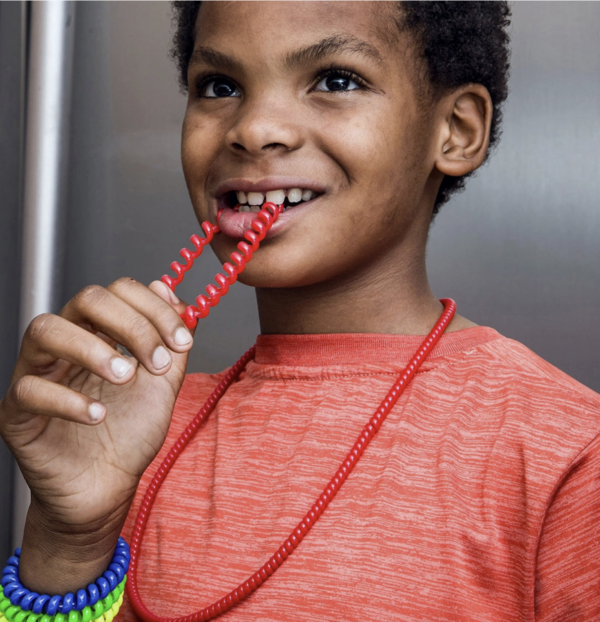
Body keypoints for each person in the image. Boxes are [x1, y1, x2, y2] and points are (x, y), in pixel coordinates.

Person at [1, 2, 599, 620]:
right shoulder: (133, 428)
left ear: (456, 129)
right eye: (220, 86)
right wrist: (69, 542)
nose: (254, 128)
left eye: (336, 80)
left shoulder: (566, 454)